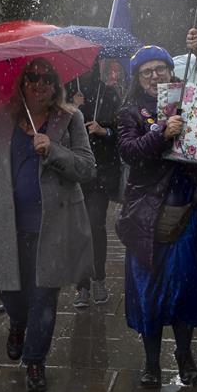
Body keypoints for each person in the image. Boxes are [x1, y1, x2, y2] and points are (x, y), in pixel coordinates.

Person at [0, 58, 95, 392]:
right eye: (32, 77)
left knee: (44, 298)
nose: (39, 84)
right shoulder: (2, 119)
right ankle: (16, 323)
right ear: (22, 83)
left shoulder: (71, 120)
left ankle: (35, 361)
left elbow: (87, 169)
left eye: (46, 79)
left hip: (51, 227)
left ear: (56, 85)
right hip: (6, 226)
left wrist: (53, 150)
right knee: (11, 292)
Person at [115, 30, 197, 389]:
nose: (156, 76)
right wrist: (161, 132)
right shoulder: (129, 113)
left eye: (161, 69)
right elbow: (130, 152)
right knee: (148, 292)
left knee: (186, 287)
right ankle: (150, 362)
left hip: (187, 210)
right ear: (138, 78)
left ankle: (185, 353)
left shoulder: (189, 102)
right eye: (147, 71)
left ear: (171, 72)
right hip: (146, 217)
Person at [71, 64, 122, 308]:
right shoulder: (69, 95)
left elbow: (121, 132)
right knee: (78, 230)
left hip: (101, 175)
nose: (85, 71)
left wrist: (104, 131)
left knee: (95, 225)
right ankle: (82, 285)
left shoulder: (110, 94)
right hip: (74, 175)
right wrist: (74, 110)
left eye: (90, 66)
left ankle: (98, 278)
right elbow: (56, 133)